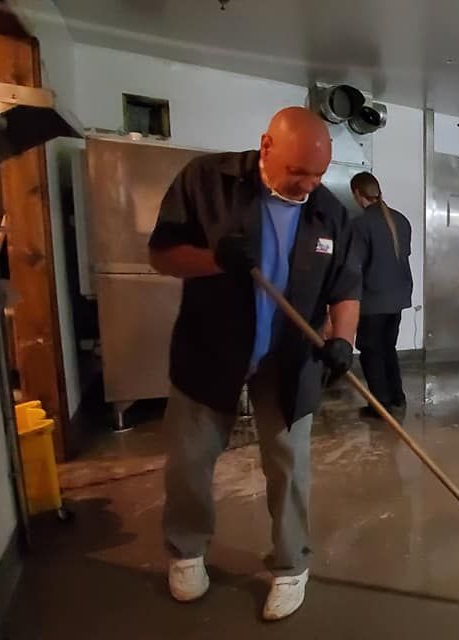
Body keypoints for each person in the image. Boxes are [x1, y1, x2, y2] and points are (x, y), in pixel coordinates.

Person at [147, 106, 360, 621]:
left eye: (317, 175)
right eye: (297, 173)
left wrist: (343, 341)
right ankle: (187, 551)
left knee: (290, 469)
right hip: (210, 351)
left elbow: (346, 286)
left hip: (288, 362)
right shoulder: (206, 180)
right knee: (190, 462)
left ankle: (291, 566)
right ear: (266, 147)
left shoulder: (328, 210)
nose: (308, 185)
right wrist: (216, 260)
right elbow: (162, 255)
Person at [346, 171, 413, 419]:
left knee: (371, 352)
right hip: (397, 298)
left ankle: (381, 405)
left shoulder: (360, 225)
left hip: (373, 301)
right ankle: (397, 398)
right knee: (388, 349)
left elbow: (354, 266)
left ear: (357, 193)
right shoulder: (401, 220)